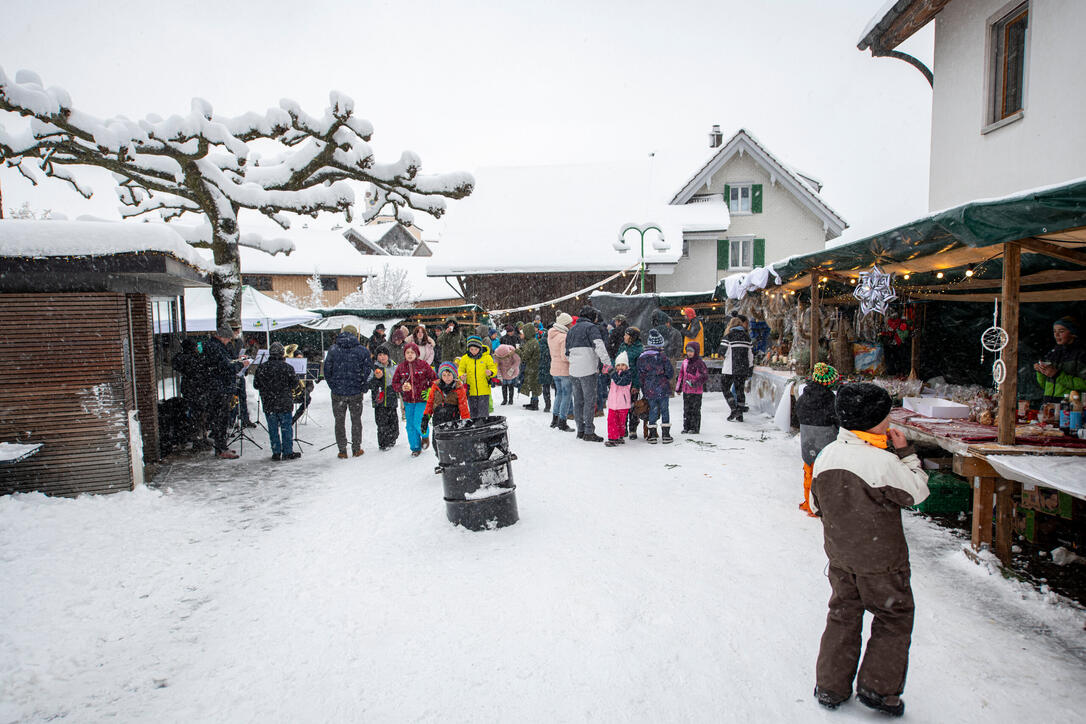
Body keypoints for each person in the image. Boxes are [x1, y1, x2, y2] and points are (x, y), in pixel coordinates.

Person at [810, 383, 929, 717]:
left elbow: (817, 505)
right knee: (893, 616)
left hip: (841, 558)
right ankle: (878, 689)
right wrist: (907, 455)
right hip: (882, 562)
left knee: (843, 613)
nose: (890, 420)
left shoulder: (827, 455)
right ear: (875, 421)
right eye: (887, 415)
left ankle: (830, 686)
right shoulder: (881, 461)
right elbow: (917, 492)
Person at [796, 363, 840, 517]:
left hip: (808, 440)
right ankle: (820, 505)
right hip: (826, 440)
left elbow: (799, 414)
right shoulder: (831, 399)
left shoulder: (804, 397)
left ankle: (809, 502)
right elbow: (836, 418)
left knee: (809, 471)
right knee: (824, 474)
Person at [323, 324, 373, 459]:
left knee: (339, 421)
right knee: (356, 420)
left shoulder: (333, 350)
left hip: (338, 392)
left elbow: (327, 370)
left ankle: (342, 450)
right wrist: (362, 385)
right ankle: (356, 448)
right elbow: (368, 370)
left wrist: (333, 385)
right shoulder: (362, 351)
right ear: (356, 335)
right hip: (355, 391)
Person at [203, 325, 251, 459]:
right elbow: (225, 367)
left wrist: (237, 360)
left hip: (218, 386)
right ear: (222, 336)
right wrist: (241, 365)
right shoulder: (215, 348)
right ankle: (221, 448)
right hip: (219, 388)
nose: (229, 341)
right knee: (220, 419)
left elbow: (226, 363)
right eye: (228, 339)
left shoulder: (214, 346)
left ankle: (222, 446)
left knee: (221, 419)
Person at [566, 305, 612, 442]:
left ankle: (580, 429)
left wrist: (575, 361)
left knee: (578, 401)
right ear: (592, 316)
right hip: (588, 369)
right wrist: (607, 363)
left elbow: (566, 352)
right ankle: (589, 431)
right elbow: (599, 345)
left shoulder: (571, 330)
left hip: (574, 370)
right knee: (589, 401)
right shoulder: (592, 328)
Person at [252, 342, 299, 461]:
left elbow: (256, 385)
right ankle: (288, 451)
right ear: (282, 353)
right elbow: (294, 384)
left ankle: (276, 451)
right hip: (284, 403)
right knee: (286, 427)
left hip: (269, 403)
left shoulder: (262, 368)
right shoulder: (287, 367)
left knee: (272, 429)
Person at [392, 342, 437, 457]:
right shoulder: (401, 367)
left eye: (412, 352)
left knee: (418, 421)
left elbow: (434, 380)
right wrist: (401, 387)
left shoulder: (423, 365)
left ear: (416, 353)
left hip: (422, 400)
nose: (410, 355)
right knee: (410, 425)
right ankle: (415, 447)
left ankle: (425, 435)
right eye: (407, 353)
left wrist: (429, 391)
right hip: (408, 401)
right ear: (404, 354)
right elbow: (395, 383)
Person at [422, 362, 471, 457]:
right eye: (444, 375)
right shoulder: (435, 387)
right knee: (437, 443)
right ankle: (442, 460)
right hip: (438, 420)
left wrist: (466, 421)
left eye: (449, 375)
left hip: (452, 420)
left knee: (453, 443)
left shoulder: (458, 388)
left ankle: (454, 460)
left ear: (454, 375)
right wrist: (425, 418)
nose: (447, 377)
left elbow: (463, 406)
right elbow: (430, 403)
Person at [1034, 316, 1086, 402]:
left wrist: (1057, 375)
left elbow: (1084, 384)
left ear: (1073, 333)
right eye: (1054, 331)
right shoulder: (1052, 354)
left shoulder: (1081, 355)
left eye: (1061, 331)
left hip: (1071, 407)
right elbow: (1044, 385)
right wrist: (1040, 371)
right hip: (1049, 405)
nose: (1056, 335)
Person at [171, 337, 210, 448]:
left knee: (196, 414)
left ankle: (199, 436)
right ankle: (199, 438)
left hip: (190, 388)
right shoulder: (192, 359)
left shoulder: (182, 358)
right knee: (199, 414)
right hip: (196, 389)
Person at [637, 328, 674, 443]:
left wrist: (644, 386)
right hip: (663, 388)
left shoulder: (642, 357)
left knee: (652, 410)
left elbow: (640, 374)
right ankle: (666, 435)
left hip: (649, 388)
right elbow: (670, 373)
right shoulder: (663, 357)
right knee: (664, 410)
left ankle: (652, 435)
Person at [719, 314, 754, 422]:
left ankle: (734, 409)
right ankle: (740, 414)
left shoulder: (728, 337)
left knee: (725, 388)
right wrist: (750, 368)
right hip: (743, 368)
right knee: (740, 391)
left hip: (730, 368)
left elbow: (721, 352)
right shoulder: (747, 338)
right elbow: (751, 355)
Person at [458, 335, 499, 419]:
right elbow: (460, 369)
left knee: (483, 413)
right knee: (473, 413)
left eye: (476, 349)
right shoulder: (465, 358)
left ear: (480, 348)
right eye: (471, 349)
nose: (473, 351)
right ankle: (475, 428)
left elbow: (493, 368)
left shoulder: (487, 357)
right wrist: (461, 376)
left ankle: (484, 428)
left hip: (484, 390)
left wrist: (490, 372)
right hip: (471, 390)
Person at [368, 345, 399, 451]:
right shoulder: (374, 368)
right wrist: (377, 379)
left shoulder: (394, 365)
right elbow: (369, 385)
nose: (382, 357)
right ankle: (383, 443)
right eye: (380, 355)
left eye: (384, 354)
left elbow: (399, 379)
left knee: (393, 420)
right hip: (379, 399)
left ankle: (393, 438)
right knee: (382, 422)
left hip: (391, 397)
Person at [547, 313, 574, 432]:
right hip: (564, 370)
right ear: (565, 324)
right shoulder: (563, 337)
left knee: (559, 394)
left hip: (554, 369)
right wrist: (574, 358)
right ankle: (562, 422)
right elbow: (565, 357)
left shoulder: (551, 334)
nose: (571, 325)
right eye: (570, 323)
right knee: (567, 396)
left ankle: (555, 419)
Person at [675, 341, 709, 435]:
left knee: (695, 410)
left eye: (691, 351)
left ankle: (695, 428)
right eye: (688, 351)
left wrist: (695, 383)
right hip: (686, 391)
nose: (689, 353)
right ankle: (686, 427)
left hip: (696, 392)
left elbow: (704, 376)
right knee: (686, 410)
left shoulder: (700, 363)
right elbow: (681, 375)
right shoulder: (685, 362)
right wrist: (678, 388)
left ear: (696, 352)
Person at [617, 327, 644, 439]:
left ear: (632, 337)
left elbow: (639, 369)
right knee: (622, 405)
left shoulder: (638, 350)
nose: (624, 336)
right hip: (622, 382)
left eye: (626, 335)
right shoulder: (622, 346)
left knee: (633, 406)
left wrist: (636, 385)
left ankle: (632, 428)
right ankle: (623, 428)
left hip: (632, 382)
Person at [605, 352, 634, 447]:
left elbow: (620, 382)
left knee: (621, 422)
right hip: (613, 403)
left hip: (623, 404)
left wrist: (613, 373)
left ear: (627, 366)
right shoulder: (614, 375)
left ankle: (620, 435)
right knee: (611, 420)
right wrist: (606, 373)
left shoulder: (628, 375)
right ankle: (613, 437)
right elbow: (609, 382)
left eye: (623, 365)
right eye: (618, 365)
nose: (620, 367)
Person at [517, 323, 542, 410]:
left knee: (534, 385)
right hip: (533, 367)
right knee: (533, 384)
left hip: (533, 367)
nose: (521, 335)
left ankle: (534, 404)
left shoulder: (531, 343)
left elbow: (524, 357)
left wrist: (518, 351)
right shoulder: (531, 341)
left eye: (522, 333)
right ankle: (533, 402)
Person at [537, 325, 553, 413]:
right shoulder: (546, 340)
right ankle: (548, 405)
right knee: (548, 387)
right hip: (548, 366)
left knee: (546, 387)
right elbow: (545, 354)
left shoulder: (544, 340)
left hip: (546, 366)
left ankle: (548, 405)